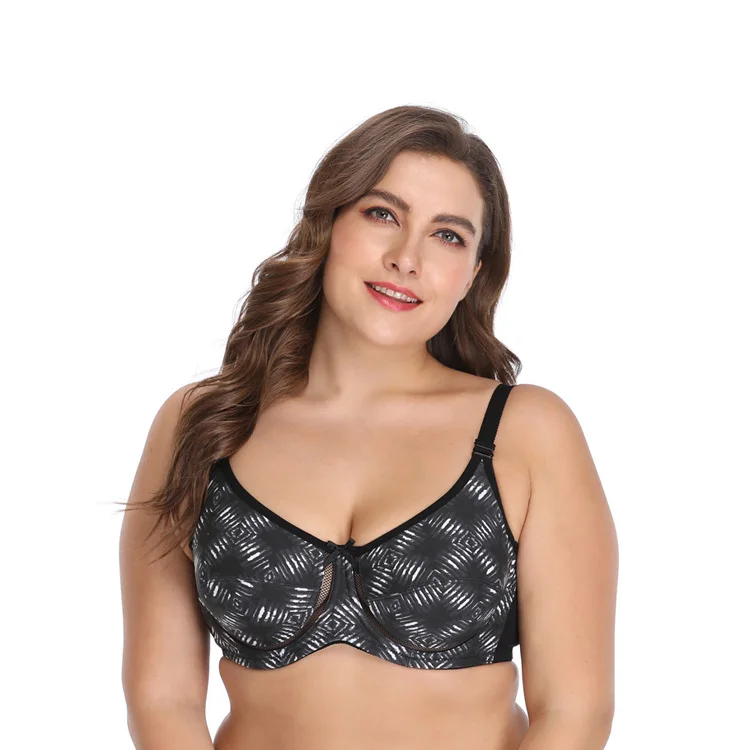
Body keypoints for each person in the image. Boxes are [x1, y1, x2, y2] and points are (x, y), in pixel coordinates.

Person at [118, 104, 618, 750]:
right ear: (328, 224)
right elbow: (163, 698)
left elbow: (575, 712)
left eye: (448, 236)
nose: (407, 258)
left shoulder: (524, 433)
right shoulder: (203, 424)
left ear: (473, 274)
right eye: (383, 214)